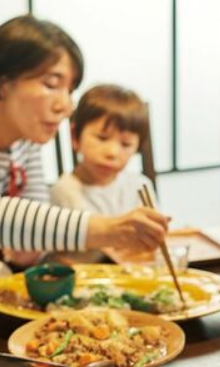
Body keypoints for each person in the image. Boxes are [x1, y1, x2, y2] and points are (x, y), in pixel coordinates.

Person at [0, 15, 168, 266]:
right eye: (51, 84)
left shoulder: (25, 142)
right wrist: (109, 229)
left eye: (70, 90)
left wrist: (32, 249)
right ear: (4, 83)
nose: (65, 107)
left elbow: (32, 229)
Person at [50, 84, 156, 262]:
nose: (112, 152)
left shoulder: (140, 186)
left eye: (126, 144)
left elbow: (152, 244)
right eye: (102, 138)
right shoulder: (63, 191)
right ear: (75, 137)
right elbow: (56, 255)